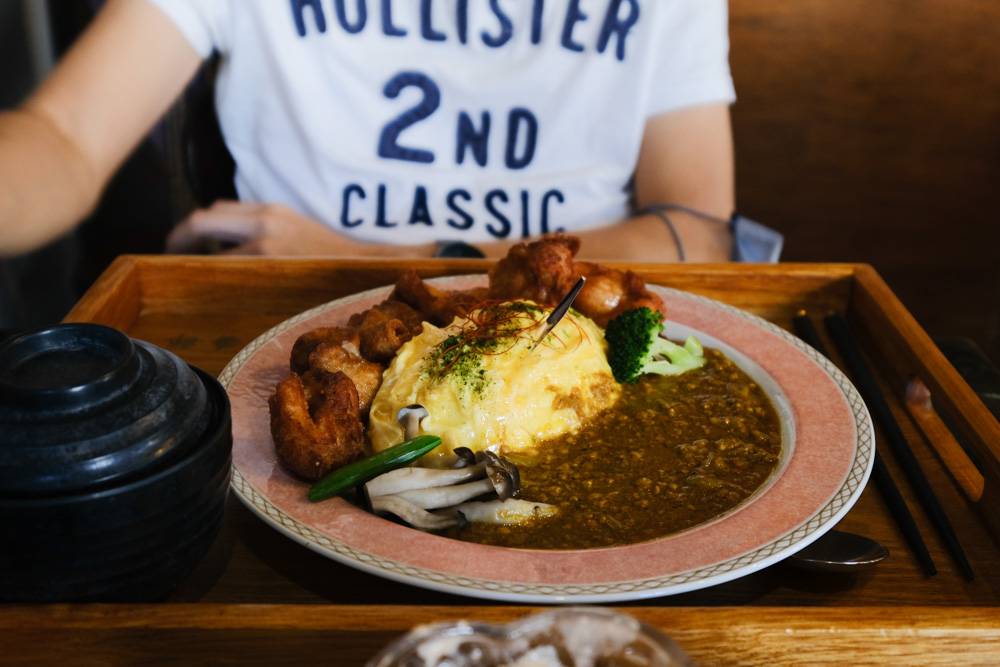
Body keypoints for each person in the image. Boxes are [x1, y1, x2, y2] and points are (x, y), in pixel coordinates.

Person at [0, 0, 737, 262]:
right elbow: (65, 138)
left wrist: (385, 258)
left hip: (567, 321)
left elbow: (698, 233)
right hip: (288, 331)